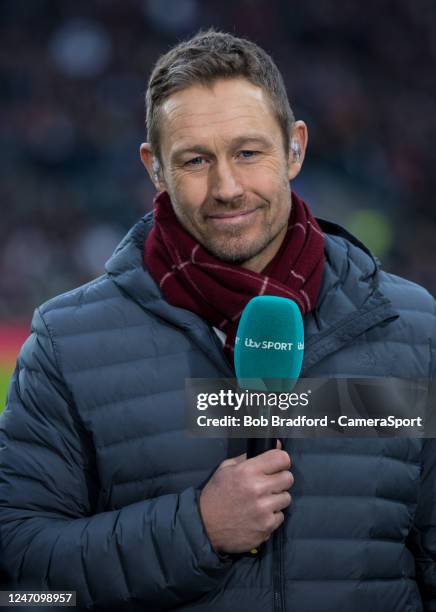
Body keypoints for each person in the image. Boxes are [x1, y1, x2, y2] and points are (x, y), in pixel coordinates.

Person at [0, 28, 435, 612]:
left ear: (296, 148)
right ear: (155, 168)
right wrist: (195, 530)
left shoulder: (411, 326)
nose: (227, 187)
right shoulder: (67, 341)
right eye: (196, 160)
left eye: (248, 152)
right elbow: (23, 584)